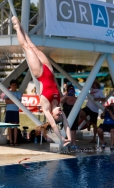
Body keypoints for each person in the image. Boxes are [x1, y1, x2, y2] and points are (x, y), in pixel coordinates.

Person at [11, 16, 71, 147]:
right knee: (34, 47)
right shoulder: (59, 100)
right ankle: (21, 28)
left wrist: (61, 138)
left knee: (26, 47)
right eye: (61, 113)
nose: (60, 112)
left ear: (52, 115)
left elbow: (54, 125)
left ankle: (16, 26)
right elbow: (66, 124)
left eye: (58, 114)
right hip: (49, 70)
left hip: (40, 73)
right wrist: (69, 138)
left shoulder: (46, 107)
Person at [60, 84, 79, 149]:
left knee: (73, 130)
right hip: (66, 116)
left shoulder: (76, 99)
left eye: (72, 90)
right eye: (70, 90)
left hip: (74, 116)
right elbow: (60, 101)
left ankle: (74, 143)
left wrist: (74, 97)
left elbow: (79, 105)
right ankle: (65, 142)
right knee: (65, 129)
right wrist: (66, 96)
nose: (71, 91)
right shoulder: (65, 98)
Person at [4, 79, 22, 146]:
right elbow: (6, 101)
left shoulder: (18, 93)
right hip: (9, 110)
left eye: (14, 85)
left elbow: (19, 102)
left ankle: (15, 140)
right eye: (12, 85)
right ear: (10, 86)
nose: (13, 86)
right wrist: (15, 101)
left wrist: (10, 101)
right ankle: (11, 140)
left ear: (16, 86)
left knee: (15, 126)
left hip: (15, 111)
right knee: (10, 125)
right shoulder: (8, 92)